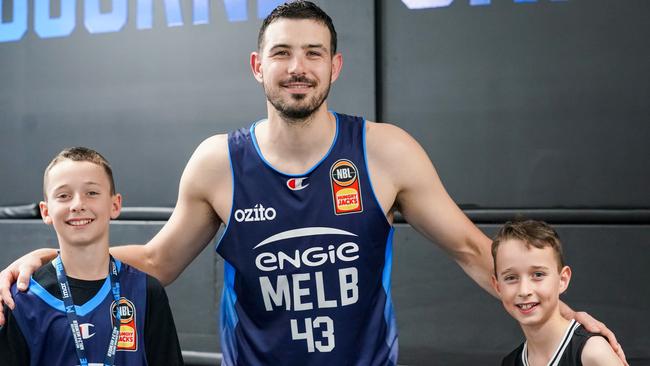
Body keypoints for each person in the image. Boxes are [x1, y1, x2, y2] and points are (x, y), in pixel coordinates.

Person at [0, 1, 626, 365]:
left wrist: (562, 321)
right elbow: (159, 261)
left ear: (335, 65)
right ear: (257, 66)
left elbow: (472, 249)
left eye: (312, 53)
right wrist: (53, 258)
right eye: (281, 53)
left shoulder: (384, 151)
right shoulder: (220, 160)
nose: (296, 68)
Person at [0, 147, 183, 365]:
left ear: (115, 205)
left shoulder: (146, 291)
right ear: (46, 211)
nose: (78, 205)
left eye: (92, 193)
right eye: (64, 195)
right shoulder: (22, 299)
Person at [491, 220, 622, 366]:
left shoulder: (593, 352)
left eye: (538, 274)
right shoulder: (510, 362)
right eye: (511, 278)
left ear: (563, 279)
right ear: (497, 287)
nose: (524, 291)